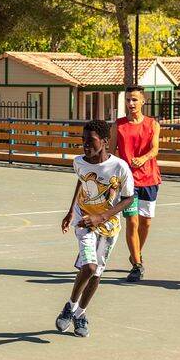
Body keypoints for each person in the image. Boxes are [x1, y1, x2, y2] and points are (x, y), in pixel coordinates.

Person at [56, 120, 135, 338]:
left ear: (105, 142)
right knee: (89, 267)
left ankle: (81, 313)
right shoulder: (79, 162)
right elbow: (81, 182)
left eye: (90, 141)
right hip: (84, 221)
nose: (85, 145)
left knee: (97, 273)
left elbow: (128, 198)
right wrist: (71, 211)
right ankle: (70, 306)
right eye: (83, 140)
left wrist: (102, 216)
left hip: (109, 226)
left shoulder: (119, 167)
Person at [109, 87, 162, 282]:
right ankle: (137, 265)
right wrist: (115, 174)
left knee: (145, 223)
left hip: (149, 179)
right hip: (127, 182)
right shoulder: (118, 125)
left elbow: (155, 149)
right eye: (128, 100)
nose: (130, 104)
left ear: (143, 102)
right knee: (132, 221)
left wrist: (144, 158)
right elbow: (112, 152)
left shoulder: (152, 124)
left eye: (134, 100)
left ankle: (135, 253)